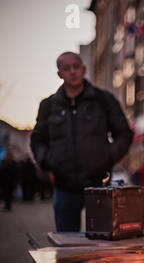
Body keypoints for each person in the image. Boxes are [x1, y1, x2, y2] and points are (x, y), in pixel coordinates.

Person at [30, 52, 133, 231]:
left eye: (76, 67)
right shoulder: (49, 106)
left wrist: (107, 158)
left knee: (102, 244)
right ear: (59, 74)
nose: (72, 72)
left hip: (99, 186)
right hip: (64, 187)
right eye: (66, 68)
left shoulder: (103, 100)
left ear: (83, 69)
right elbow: (38, 140)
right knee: (68, 246)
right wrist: (48, 162)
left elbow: (124, 133)